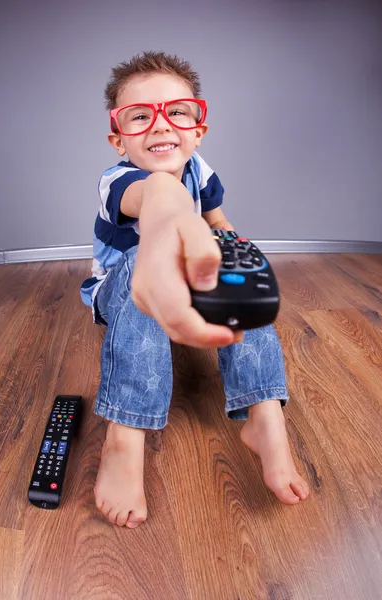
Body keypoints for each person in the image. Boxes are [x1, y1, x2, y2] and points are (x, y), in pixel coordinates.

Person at [80, 51, 309, 529]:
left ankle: (264, 414)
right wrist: (164, 216)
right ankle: (125, 433)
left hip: (187, 279)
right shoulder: (118, 182)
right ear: (118, 140)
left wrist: (230, 246)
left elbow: (215, 216)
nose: (161, 126)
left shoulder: (201, 169)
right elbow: (159, 198)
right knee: (146, 258)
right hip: (122, 293)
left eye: (177, 112)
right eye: (140, 117)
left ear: (197, 129)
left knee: (243, 270)